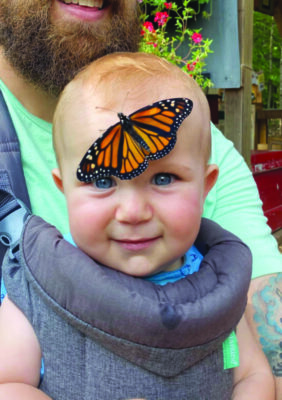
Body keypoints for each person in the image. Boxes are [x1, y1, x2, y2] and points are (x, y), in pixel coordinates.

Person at [0, 0, 280, 394]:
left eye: (164, 178)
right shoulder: (40, 284)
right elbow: (9, 383)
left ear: (207, 185)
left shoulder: (219, 288)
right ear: (63, 189)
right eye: (101, 181)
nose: (132, 211)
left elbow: (254, 376)